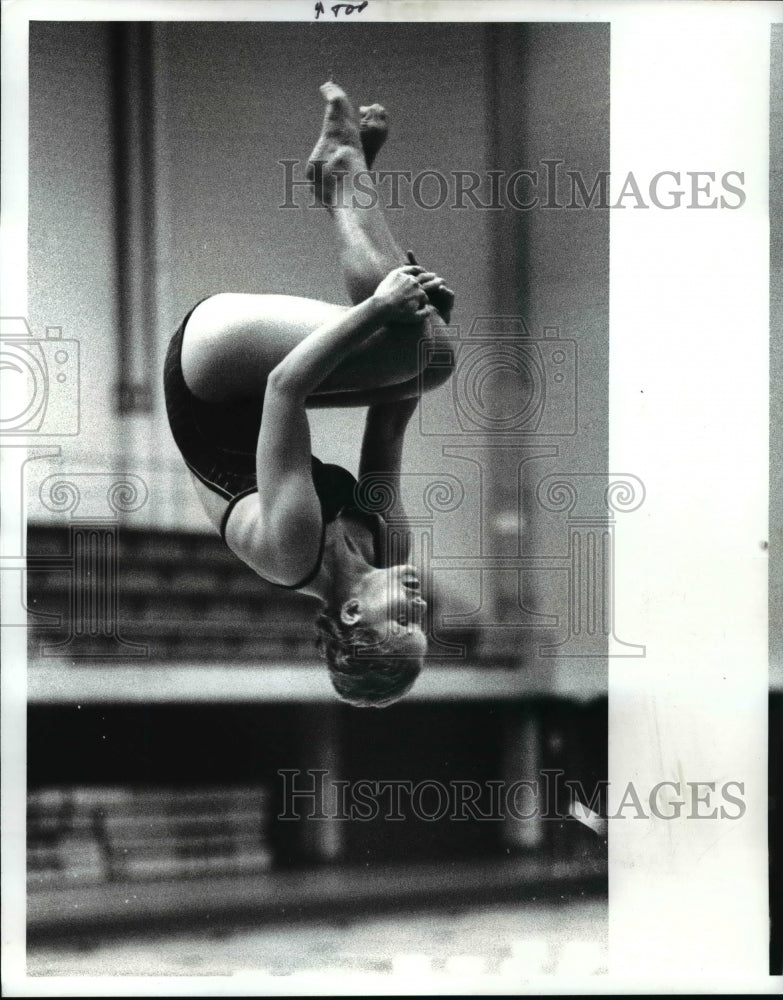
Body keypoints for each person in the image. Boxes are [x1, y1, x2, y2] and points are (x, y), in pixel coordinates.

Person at [164, 82, 456, 707]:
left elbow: (285, 387)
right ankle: (345, 181)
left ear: (351, 615)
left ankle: (345, 174)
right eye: (423, 624)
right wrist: (427, 317)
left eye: (403, 622)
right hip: (257, 396)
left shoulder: (292, 550)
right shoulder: (387, 547)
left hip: (207, 372)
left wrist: (383, 309)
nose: (421, 606)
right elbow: (391, 420)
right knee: (431, 358)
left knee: (409, 343)